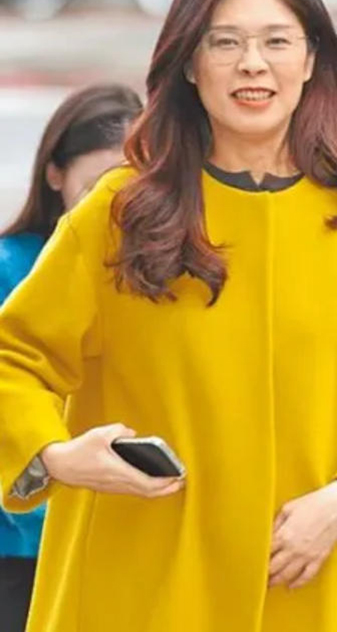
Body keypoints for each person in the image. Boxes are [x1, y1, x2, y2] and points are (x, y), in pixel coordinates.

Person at [0, 0, 337, 632]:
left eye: (276, 41)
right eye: (225, 42)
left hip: (326, 580)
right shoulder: (119, 211)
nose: (253, 64)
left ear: (311, 60)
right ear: (190, 65)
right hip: (145, 583)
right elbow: (14, 357)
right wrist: (57, 455)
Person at [0, 83, 142, 632]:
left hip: (119, 529)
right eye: (98, 187)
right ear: (55, 174)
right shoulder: (12, 269)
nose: (113, 206)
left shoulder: (155, 273)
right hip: (22, 544)